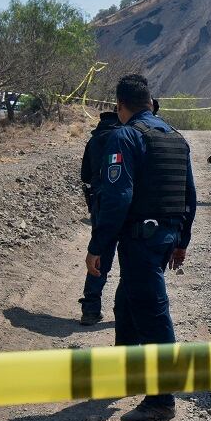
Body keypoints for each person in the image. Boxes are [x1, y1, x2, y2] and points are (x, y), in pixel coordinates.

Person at [85, 74, 197, 421]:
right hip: (163, 238)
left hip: (141, 240)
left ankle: (161, 399)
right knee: (127, 301)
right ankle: (127, 372)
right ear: (150, 102)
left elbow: (117, 197)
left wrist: (97, 246)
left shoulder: (125, 135)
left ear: (120, 106)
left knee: (152, 312)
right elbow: (189, 197)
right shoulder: (175, 137)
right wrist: (181, 241)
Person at [78, 110, 123, 325]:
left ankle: (90, 309)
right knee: (131, 256)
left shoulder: (94, 140)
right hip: (126, 203)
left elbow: (84, 176)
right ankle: (127, 309)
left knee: (98, 254)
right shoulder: (126, 136)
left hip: (100, 202)